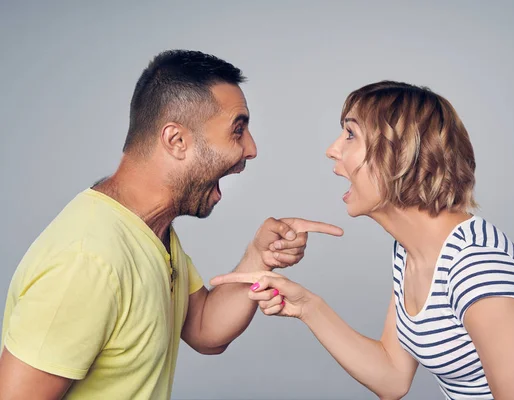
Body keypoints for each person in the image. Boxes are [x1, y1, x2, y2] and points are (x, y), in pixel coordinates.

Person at [0, 50, 343, 399]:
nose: (251, 149)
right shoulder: (87, 261)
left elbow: (204, 328)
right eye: (238, 130)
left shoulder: (149, 231)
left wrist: (259, 257)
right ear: (176, 141)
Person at [210, 81, 514, 400]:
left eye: (350, 134)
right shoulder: (411, 252)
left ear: (400, 155)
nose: (332, 149)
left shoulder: (476, 267)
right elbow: (392, 376)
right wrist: (307, 305)